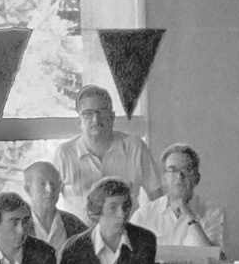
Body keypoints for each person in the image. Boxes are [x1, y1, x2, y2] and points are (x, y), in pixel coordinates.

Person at [51, 86, 161, 214]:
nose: (96, 120)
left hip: (126, 232)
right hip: (80, 233)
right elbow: (47, 200)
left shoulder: (135, 147)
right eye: (88, 114)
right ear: (79, 122)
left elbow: (158, 198)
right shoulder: (64, 154)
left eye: (102, 112)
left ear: (112, 117)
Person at [132, 144, 226, 257]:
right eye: (172, 170)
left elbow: (216, 260)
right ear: (163, 179)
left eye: (187, 169)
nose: (180, 176)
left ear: (197, 178)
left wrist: (189, 216)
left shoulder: (213, 213)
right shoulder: (143, 216)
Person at [22, 161, 89, 264]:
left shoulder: (74, 225)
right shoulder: (18, 226)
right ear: (28, 189)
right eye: (42, 184)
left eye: (54, 183)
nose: (49, 189)